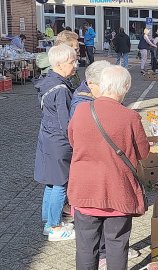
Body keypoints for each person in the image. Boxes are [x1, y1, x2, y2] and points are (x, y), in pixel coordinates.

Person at [67, 65, 150, 270]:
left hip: (85, 189)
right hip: (117, 191)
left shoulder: (81, 111)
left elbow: (72, 140)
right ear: (126, 87)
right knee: (117, 245)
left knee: (86, 247)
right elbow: (144, 153)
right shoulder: (130, 117)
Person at [33, 44, 77, 242]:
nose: (75, 65)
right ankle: (55, 227)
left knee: (51, 182)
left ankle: (47, 221)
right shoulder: (61, 90)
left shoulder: (47, 81)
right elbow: (65, 122)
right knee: (60, 184)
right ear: (59, 64)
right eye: (71, 62)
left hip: (47, 138)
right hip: (59, 142)